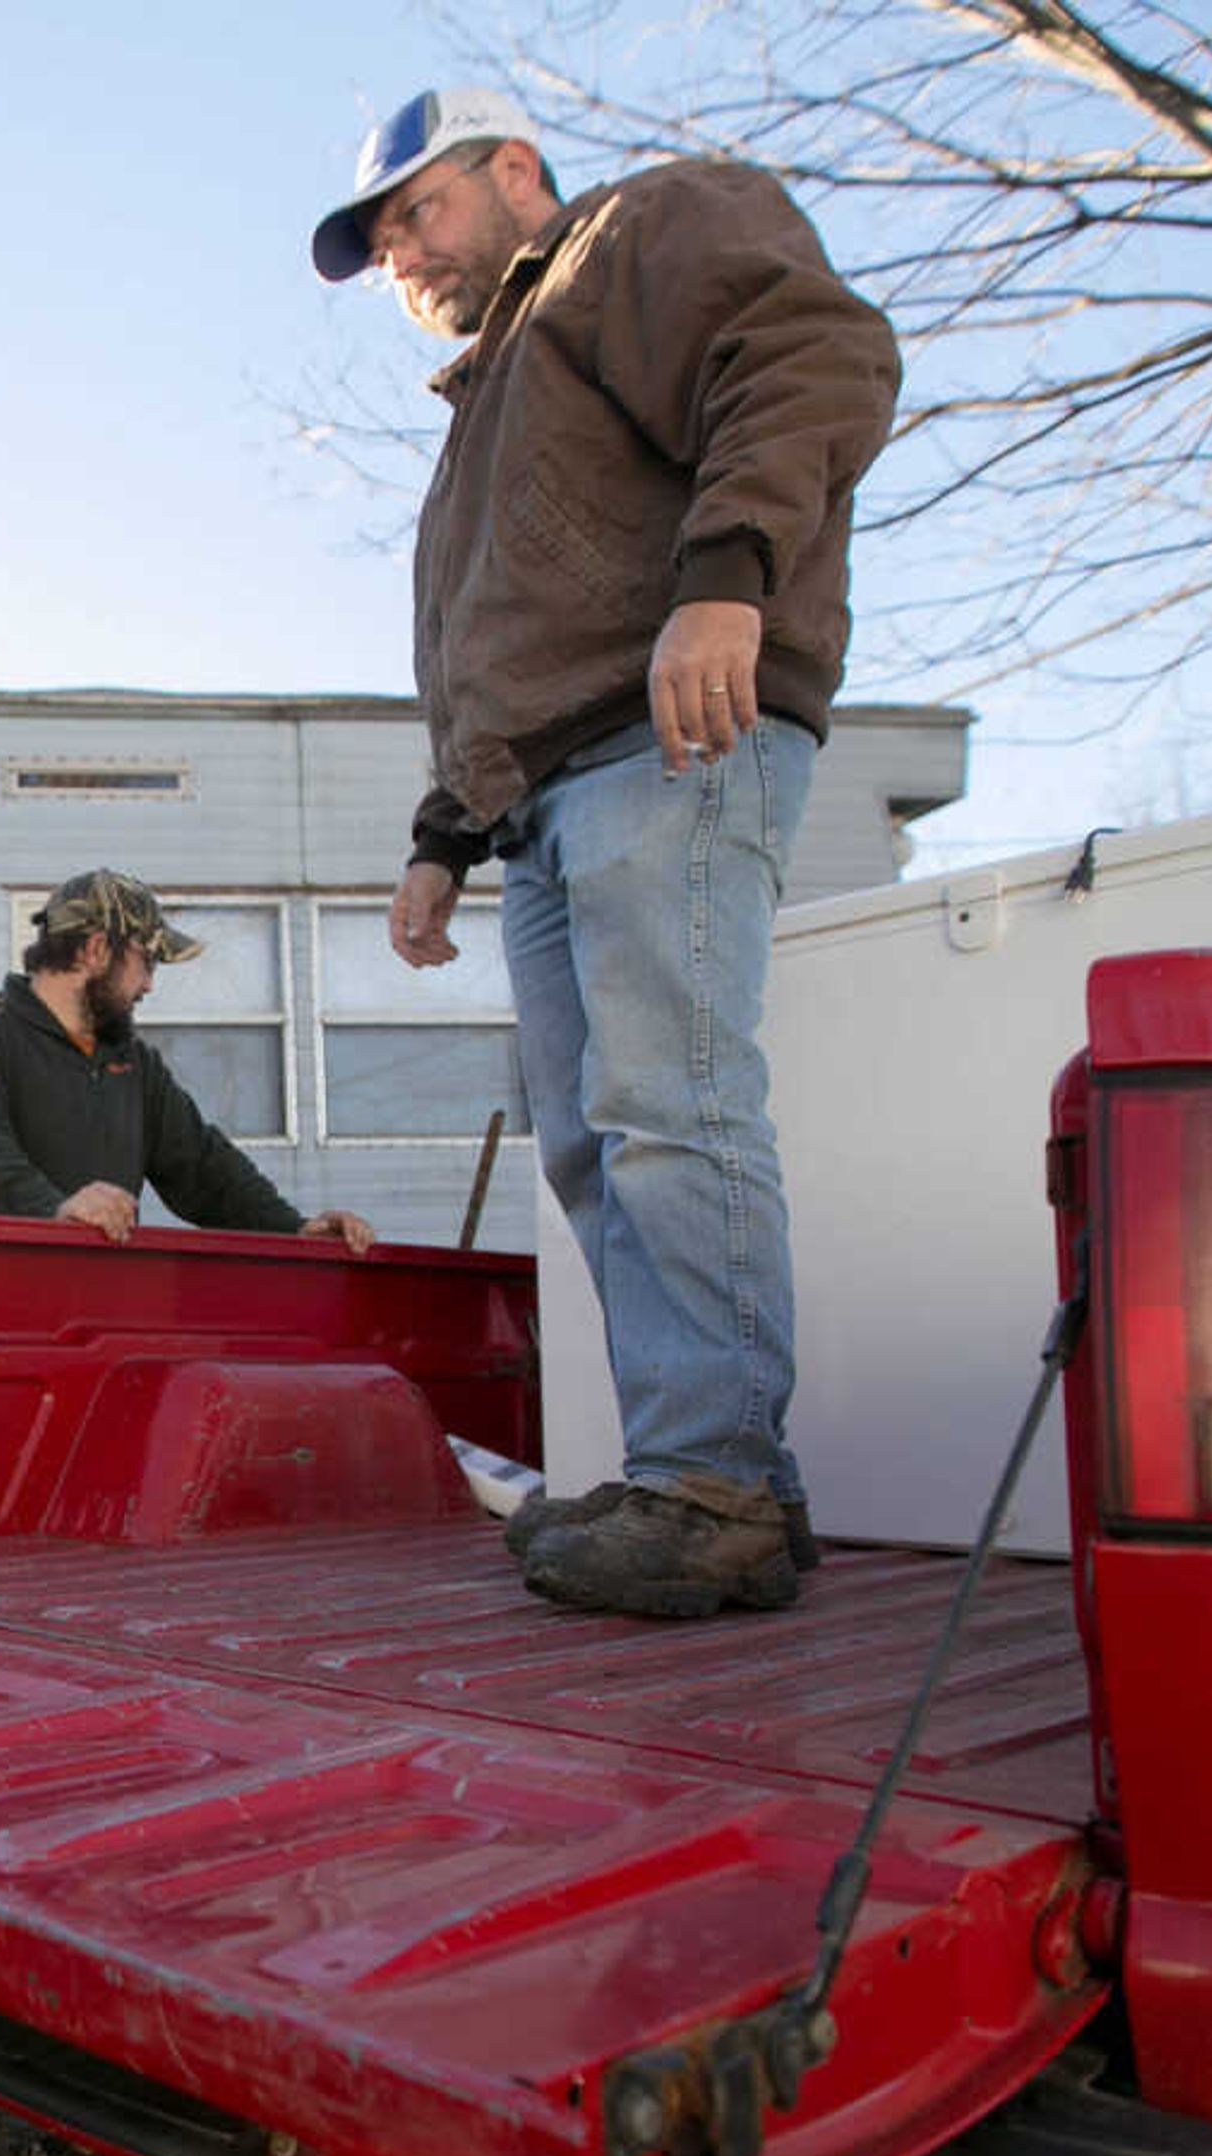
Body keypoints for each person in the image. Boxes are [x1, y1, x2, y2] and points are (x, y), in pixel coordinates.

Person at [312, 86, 898, 1617]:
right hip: (548, 785)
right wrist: (447, 827)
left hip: (673, 728)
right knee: (588, 1138)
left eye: (417, 212)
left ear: (515, 171)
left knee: (666, 1100)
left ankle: (717, 1479)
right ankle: (697, 1475)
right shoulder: (489, 399)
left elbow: (813, 355)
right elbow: (492, 643)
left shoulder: (637, 230)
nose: (402, 256)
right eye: (380, 243)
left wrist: (728, 581)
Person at [0, 869, 374, 1251]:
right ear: (96, 950)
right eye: (148, 963)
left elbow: (202, 1165)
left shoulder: (133, 1064)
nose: (149, 986)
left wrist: (294, 1228)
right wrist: (53, 1209)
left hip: (88, 1306)